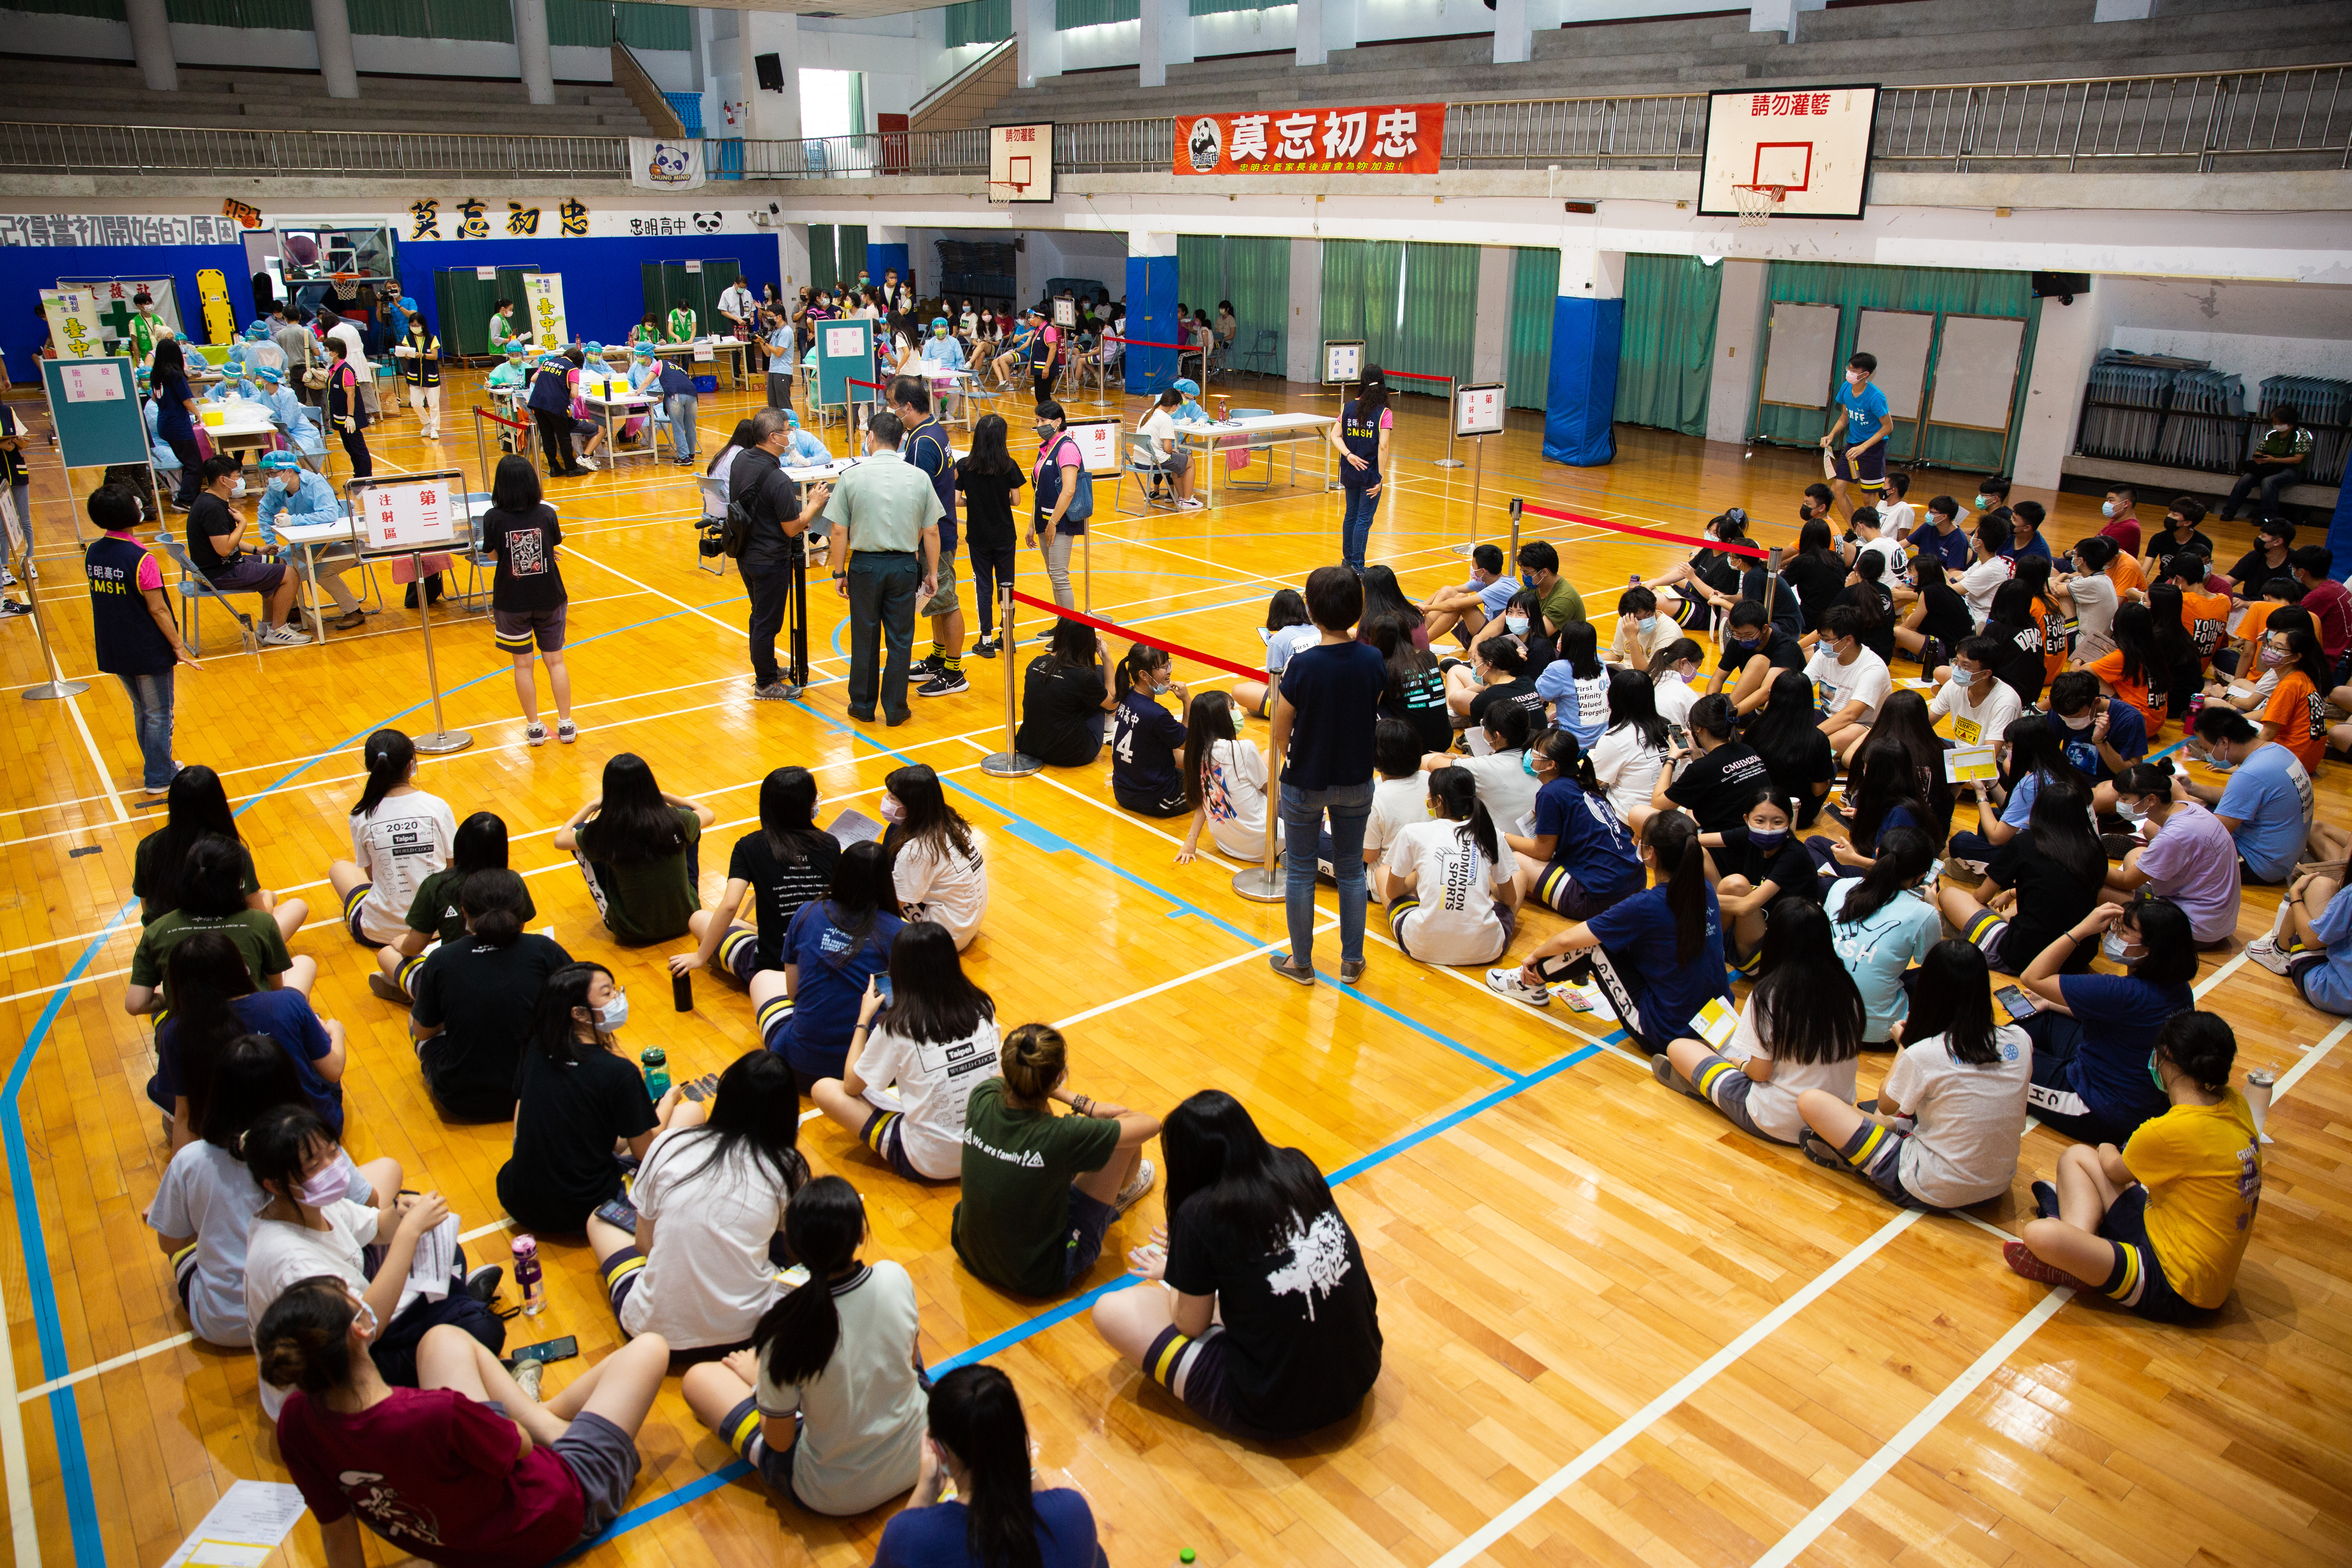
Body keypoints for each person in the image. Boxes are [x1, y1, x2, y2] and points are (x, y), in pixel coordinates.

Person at [261, 1273, 668, 1564]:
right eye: (348, 1292)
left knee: (441, 1339)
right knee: (650, 1348)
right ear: (362, 1330)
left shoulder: (296, 1424)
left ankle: (549, 1421)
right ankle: (557, 1431)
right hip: (555, 1513)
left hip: (453, 1546)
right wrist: (504, 1428)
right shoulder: (434, 1413)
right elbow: (519, 1445)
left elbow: (337, 1535)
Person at [1093, 1088, 1383, 1443]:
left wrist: (1174, 1273)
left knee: (1111, 1309)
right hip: (1360, 1371)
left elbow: (1190, 1325)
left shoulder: (1199, 1213)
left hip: (1276, 1409)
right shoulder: (1297, 1166)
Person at [680, 1176, 928, 1517]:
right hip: (924, 1454)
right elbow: (911, 1362)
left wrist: (760, 1382)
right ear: (860, 1234)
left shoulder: (784, 1331)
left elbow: (779, 1442)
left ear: (793, 1249)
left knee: (698, 1379)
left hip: (833, 1493)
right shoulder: (894, 1276)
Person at [242, 1106, 502, 1419]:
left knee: (443, 1249)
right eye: (314, 1165)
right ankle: (461, 1327)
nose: (331, 1167)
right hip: (336, 1381)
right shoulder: (290, 1262)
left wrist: (400, 1212)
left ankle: (457, 1316)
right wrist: (408, 1233)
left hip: (355, 1325)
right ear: (273, 1184)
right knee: (481, 1328)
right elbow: (366, 1327)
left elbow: (377, 1227)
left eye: (333, 1152)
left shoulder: (308, 1204)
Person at [2005, 1010, 2261, 1321]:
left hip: (2175, 1286)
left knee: (2039, 1234)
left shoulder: (2170, 1130)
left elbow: (2115, 1169)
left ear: (2164, 1056)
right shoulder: (2236, 1102)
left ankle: (2075, 1251)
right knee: (2076, 1156)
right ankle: (2078, 1251)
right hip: (2182, 1249)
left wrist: (2107, 1144)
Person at [148, 1034, 390, 1345]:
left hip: (223, 1323)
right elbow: (370, 1202)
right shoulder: (308, 1143)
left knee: (185, 1254)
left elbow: (169, 1242)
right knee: (387, 1172)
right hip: (305, 1317)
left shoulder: (190, 1161)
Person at [586, 1049, 808, 1353]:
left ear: (726, 1098)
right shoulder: (790, 1165)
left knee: (600, 1220)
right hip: (749, 1331)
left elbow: (644, 1245)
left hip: (654, 1337)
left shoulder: (670, 1143)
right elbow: (794, 1253)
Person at [1797, 938, 2032, 1209]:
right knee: (1905, 1116)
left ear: (1929, 989)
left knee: (1812, 1101)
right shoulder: (2020, 1039)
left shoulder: (1925, 1052)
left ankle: (1864, 1163)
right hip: (1998, 1185)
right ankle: (1884, 1143)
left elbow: (1887, 1105)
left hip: (1931, 1188)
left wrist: (1905, 1046)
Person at [1492, 811, 1730, 1054]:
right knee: (1626, 939)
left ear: (1651, 853)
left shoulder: (1647, 904)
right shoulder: (1707, 890)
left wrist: (1535, 956)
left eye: (1640, 839)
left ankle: (1528, 981)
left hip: (1668, 1032)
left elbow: (1568, 940)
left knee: (1593, 945)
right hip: (1717, 1022)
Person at [952, 1023, 1158, 1296]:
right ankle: (1118, 1194)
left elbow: (1008, 1077)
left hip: (970, 1251)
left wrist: (1062, 1092)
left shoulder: (982, 1097)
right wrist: (1087, 1106)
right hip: (1040, 1276)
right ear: (1060, 1076)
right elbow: (1149, 1124)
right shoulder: (1062, 1135)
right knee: (1121, 1141)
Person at [1654, 899, 1866, 1146]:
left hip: (1777, 1119)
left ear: (1775, 938)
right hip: (1837, 1118)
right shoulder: (1847, 987)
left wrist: (1739, 1063)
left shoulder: (1770, 994)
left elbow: (1760, 1074)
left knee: (1680, 1047)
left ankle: (1703, 1086)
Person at [499, 961, 686, 1233]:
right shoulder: (618, 1072)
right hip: (586, 1209)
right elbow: (645, 1152)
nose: (618, 999)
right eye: (607, 993)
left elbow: (522, 1106)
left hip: (518, 1200)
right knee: (690, 1114)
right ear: (579, 1014)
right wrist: (668, 1101)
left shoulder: (537, 1048)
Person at [1266, 567, 1387, 987]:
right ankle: (1352, 960)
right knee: (1352, 869)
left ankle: (1302, 963)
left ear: (1313, 611)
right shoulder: (1372, 659)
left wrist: (1296, 759)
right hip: (1356, 777)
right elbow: (1369, 708)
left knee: (1300, 871)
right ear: (1357, 609)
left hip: (1306, 779)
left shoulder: (1303, 665)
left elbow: (1281, 727)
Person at [811, 920, 999, 1181]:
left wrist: (864, 1019)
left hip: (930, 1164)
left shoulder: (898, 1026)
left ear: (899, 970)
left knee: (824, 1089)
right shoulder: (983, 1008)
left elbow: (852, 1086)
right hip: (991, 1152)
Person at [869, 1366, 1101, 1566]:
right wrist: (1024, 1467)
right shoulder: (1073, 1514)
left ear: (939, 1450)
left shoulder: (909, 1538)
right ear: (1020, 1436)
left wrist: (924, 1492)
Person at [149, 930, 345, 1144]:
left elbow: (185, 1115)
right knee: (312, 1052)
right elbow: (333, 1071)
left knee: (158, 1087)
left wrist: (185, 1170)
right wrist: (337, 1033)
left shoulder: (177, 1032)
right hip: (314, 1134)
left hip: (238, 1145)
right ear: (243, 969)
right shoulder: (288, 1002)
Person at [408, 871, 570, 1123]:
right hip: (543, 1094)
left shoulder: (441, 959)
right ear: (521, 912)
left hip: (462, 1100)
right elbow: (580, 1009)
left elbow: (423, 1032)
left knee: (416, 1023)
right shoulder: (544, 949)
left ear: (464, 912)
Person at [821, 410, 942, 726]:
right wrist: (931, 573)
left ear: (870, 437)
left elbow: (838, 531)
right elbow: (931, 531)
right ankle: (895, 708)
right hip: (904, 566)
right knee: (901, 639)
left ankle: (862, 706)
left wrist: (838, 571)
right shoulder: (919, 477)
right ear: (902, 440)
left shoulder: (851, 476)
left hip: (864, 566)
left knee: (865, 636)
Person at [756, 841, 905, 1092]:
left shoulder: (808, 913)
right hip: (874, 1073)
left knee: (762, 979)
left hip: (801, 1068)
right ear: (886, 881)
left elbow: (793, 994)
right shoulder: (900, 932)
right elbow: (901, 1007)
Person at [83, 483, 199, 795]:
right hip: (146, 646)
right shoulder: (141, 558)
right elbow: (158, 608)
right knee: (160, 712)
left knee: (142, 710)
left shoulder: (93, 553)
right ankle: (160, 776)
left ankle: (158, 765)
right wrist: (178, 645)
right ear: (131, 513)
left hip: (114, 644)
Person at [1941, 766, 2105, 976]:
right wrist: (2011, 893)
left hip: (2026, 955)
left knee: (1949, 895)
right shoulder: (2095, 849)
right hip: (2079, 955)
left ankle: (1981, 934)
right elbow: (2063, 893)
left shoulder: (2026, 843)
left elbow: (1981, 896)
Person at [125, 835, 311, 1015]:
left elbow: (135, 1005)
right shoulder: (262, 922)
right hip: (251, 1032)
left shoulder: (157, 930)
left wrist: (181, 998)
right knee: (304, 964)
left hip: (186, 1035)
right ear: (239, 882)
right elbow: (275, 990)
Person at [554, 753, 713, 946]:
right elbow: (708, 814)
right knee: (689, 819)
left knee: (580, 834)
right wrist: (663, 795)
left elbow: (561, 840)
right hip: (689, 920)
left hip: (632, 932)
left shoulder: (605, 831)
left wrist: (592, 805)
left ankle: (611, 905)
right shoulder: (675, 819)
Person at [731, 408, 833, 702]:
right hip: (769, 558)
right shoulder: (777, 479)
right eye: (789, 432)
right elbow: (792, 528)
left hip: (746, 553)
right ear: (774, 437)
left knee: (759, 616)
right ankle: (765, 683)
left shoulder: (742, 459)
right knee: (767, 623)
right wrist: (813, 504)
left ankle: (769, 668)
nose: (793, 436)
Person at [474, 454, 576, 745]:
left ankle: (534, 728)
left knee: (523, 666)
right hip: (550, 597)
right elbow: (552, 543)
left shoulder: (493, 517)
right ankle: (566, 724)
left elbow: (492, 555)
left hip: (512, 601)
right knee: (555, 661)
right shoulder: (546, 513)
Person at [325, 729, 456, 954]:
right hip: (439, 927)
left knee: (339, 868)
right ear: (410, 765)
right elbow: (452, 867)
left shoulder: (361, 815)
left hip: (379, 933)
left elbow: (370, 874)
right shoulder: (437, 807)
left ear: (370, 767)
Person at [133, 764, 301, 937]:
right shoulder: (231, 851)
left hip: (164, 945)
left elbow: (148, 910)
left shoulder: (148, 846)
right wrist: (268, 898)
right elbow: (261, 918)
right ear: (218, 802)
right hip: (218, 949)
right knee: (296, 906)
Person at [1377, 766, 1520, 967]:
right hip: (1486, 950)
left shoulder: (1413, 832)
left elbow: (1393, 893)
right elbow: (1510, 898)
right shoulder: (1491, 833)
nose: (1427, 797)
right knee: (1519, 876)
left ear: (1440, 801)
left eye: (1430, 793)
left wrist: (1419, 876)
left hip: (1421, 947)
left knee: (1384, 872)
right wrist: (1484, 891)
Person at [1820, 828, 1943, 1048]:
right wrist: (1935, 910)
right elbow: (1938, 969)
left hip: (1820, 1020)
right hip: (1876, 1033)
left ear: (1877, 854)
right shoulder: (1923, 914)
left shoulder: (1841, 887)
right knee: (1941, 978)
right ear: (1923, 875)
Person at [1504, 727, 1644, 921]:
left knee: (1516, 860)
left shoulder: (1550, 793)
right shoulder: (1583, 783)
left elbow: (1542, 852)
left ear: (1551, 765)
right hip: (1635, 884)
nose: (1529, 756)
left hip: (1600, 899)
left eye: (1535, 753)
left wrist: (1502, 836)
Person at [889, 380, 969, 697]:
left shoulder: (922, 443)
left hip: (935, 534)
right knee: (935, 598)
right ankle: (938, 657)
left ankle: (954, 671)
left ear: (908, 407)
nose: (891, 410)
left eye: (893, 403)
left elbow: (916, 497)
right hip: (937, 529)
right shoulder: (933, 430)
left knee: (946, 600)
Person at [2104, 764, 2241, 946]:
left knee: (2099, 890)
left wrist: (2086, 861)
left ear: (2152, 800)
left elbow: (2125, 881)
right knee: (2135, 855)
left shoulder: (2173, 837)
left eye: (2125, 798)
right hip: (2217, 920)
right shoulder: (2189, 808)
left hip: (2194, 931)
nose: (2120, 803)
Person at [183, 455, 307, 647]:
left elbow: (224, 539)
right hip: (220, 573)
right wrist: (243, 523)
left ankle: (267, 625)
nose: (241, 479)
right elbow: (225, 549)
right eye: (237, 476)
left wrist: (258, 550)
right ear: (223, 480)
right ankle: (279, 631)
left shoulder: (210, 500)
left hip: (225, 566)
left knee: (280, 563)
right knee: (290, 575)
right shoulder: (212, 508)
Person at [2183, 706, 2314, 884]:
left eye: (2207, 749)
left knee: (2166, 830)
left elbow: (2212, 836)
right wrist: (2191, 788)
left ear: (2224, 742)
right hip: (2284, 854)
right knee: (2200, 803)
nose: (2208, 755)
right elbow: (2238, 797)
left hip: (2260, 865)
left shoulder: (2250, 775)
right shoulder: (2277, 751)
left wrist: (2179, 803)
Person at [1700, 786, 1824, 971]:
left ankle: (1711, 944)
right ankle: (1713, 943)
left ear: (1790, 822)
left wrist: (1692, 897)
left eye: (1777, 822)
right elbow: (1694, 840)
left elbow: (1746, 907)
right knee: (1698, 853)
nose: (1768, 829)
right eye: (1760, 821)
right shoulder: (1749, 836)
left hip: (1778, 954)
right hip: (1754, 925)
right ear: (1747, 820)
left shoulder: (1794, 855)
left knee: (1736, 884)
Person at [253, 452, 365, 630]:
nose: (270, 479)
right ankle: (292, 609)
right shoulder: (279, 489)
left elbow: (329, 514)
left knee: (316, 572)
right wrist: (272, 542)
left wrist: (294, 520)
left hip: (339, 544)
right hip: (306, 545)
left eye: (273, 473)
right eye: (268, 475)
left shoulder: (315, 483)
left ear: (289, 471)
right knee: (274, 568)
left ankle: (353, 611)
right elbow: (264, 512)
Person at [883, 764, 988, 949]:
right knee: (895, 830)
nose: (886, 800)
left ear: (911, 805)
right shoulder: (952, 821)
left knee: (877, 901)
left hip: (941, 940)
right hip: (967, 923)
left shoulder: (917, 850)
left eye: (892, 798)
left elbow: (893, 904)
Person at [1175, 690, 1276, 865]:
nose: (1237, 712)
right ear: (1221, 718)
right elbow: (1273, 794)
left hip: (1228, 846)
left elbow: (1204, 799)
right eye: (1232, 708)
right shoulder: (1243, 749)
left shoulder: (1195, 753)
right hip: (1267, 844)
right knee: (1273, 760)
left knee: (1266, 756)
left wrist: (1191, 840)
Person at [955, 413, 1025, 658]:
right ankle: (1007, 636)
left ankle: (985, 639)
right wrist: (998, 501)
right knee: (1007, 587)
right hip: (1005, 535)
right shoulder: (1009, 465)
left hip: (978, 536)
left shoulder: (964, 465)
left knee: (983, 587)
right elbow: (1016, 500)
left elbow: (955, 500)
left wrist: (973, 502)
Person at [1654, 693, 1772, 835]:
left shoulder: (1702, 769)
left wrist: (1671, 758)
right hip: (1757, 834)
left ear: (1697, 728)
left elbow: (1658, 804)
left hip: (1724, 844)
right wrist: (1696, 751)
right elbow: (1710, 776)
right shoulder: (1747, 750)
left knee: (1641, 814)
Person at [1741, 670, 1838, 830]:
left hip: (1757, 811)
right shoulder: (1818, 739)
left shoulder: (1754, 729)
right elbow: (1819, 790)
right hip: (1797, 817)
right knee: (1831, 768)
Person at [1425, 698, 1540, 831]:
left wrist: (1460, 756)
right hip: (1533, 835)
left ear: (1496, 736)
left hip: (1503, 842)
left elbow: (1434, 763)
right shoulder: (1537, 755)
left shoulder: (1484, 767)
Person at [1016, 616, 1114, 767]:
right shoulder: (1084, 676)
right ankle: (1109, 724)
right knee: (1101, 674)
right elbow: (1113, 704)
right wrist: (1107, 658)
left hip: (1029, 746)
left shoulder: (1035, 662)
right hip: (1071, 754)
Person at [1805, 604, 1893, 755]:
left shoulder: (1873, 669)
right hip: (1827, 716)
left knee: (1812, 748)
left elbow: (1851, 715)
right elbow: (1802, 686)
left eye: (1826, 640)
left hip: (1860, 726)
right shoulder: (1823, 655)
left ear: (1848, 640)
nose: (1822, 644)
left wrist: (1806, 737)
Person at [1589, 668, 1673, 822]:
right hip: (1670, 815)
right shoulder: (1668, 726)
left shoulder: (1615, 737)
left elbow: (1598, 781)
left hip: (1629, 819)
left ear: (1613, 699)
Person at [1028, 400, 1090, 610]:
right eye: (1037, 421)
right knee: (1053, 575)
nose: (1039, 425)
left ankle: (1069, 630)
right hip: (1044, 521)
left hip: (1060, 522)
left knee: (1059, 576)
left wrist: (1053, 522)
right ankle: (1062, 622)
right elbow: (1038, 491)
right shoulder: (1046, 449)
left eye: (1043, 421)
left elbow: (1069, 490)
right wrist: (1031, 525)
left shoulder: (1067, 449)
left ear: (1058, 422)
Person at [1332, 366, 1393, 571]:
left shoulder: (1347, 407)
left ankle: (1347, 561)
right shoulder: (1384, 413)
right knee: (1363, 520)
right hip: (1369, 474)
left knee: (1351, 515)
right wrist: (1380, 477)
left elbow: (1335, 436)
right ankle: (1358, 566)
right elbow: (1383, 446)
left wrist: (1348, 455)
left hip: (1350, 472)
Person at [1822, 351, 1889, 519]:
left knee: (1868, 496)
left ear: (1866, 374)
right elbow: (1845, 416)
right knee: (1837, 490)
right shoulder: (1846, 388)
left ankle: (1875, 535)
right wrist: (1831, 435)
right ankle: (1855, 529)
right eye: (1849, 369)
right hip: (1853, 445)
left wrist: (1864, 447)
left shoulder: (1876, 397)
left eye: (1854, 371)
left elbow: (1888, 427)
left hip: (1872, 448)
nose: (1849, 373)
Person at [1710, 598, 1806, 715]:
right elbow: (1718, 678)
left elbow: (1767, 692)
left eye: (1749, 635)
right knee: (1699, 701)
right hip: (1749, 703)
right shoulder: (1737, 641)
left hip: (1782, 709)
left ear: (1764, 628)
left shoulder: (1787, 647)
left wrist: (1729, 715)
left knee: (1759, 662)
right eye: (1737, 634)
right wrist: (1710, 705)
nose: (1743, 639)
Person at [1927, 636, 2023, 750]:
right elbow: (1925, 724)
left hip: (1993, 762)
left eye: (1964, 666)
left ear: (1985, 674)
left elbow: (1988, 756)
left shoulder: (2006, 702)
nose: (1957, 669)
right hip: (1960, 751)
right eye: (1956, 662)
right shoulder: (1953, 685)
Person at [2224, 405, 2312, 526]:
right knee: (2246, 479)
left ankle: (2268, 518)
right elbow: (2260, 450)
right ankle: (2229, 512)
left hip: (2291, 469)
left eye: (2278, 423)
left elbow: (2298, 459)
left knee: (2269, 482)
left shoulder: (2302, 434)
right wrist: (2258, 457)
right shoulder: (2271, 434)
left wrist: (2275, 460)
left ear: (2288, 422)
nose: (2276, 426)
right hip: (2269, 467)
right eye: (2274, 423)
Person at [1534, 621, 1613, 750]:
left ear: (1567, 642)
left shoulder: (1559, 668)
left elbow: (1535, 700)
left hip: (1572, 743)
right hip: (1603, 740)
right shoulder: (1598, 660)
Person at [526, 352, 586, 477]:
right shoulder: (573, 368)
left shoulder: (548, 362)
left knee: (547, 436)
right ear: (578, 363)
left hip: (538, 402)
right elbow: (574, 394)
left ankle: (554, 468)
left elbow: (533, 379)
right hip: (555, 404)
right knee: (563, 437)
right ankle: (571, 468)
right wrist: (562, 394)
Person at [388, 297, 441, 440]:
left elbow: (435, 356)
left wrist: (423, 355)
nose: (414, 327)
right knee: (416, 404)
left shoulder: (432, 338)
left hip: (431, 375)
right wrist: (408, 355)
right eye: (412, 325)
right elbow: (407, 356)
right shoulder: (408, 339)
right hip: (415, 376)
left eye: (416, 324)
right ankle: (427, 423)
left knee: (434, 404)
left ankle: (435, 428)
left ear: (423, 325)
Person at [322, 334, 374, 480]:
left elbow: (351, 396)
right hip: (340, 419)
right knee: (350, 449)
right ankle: (358, 476)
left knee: (359, 449)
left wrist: (350, 417)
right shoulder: (333, 370)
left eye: (327, 350)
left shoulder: (346, 371)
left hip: (350, 419)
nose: (325, 353)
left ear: (336, 352)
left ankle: (367, 479)